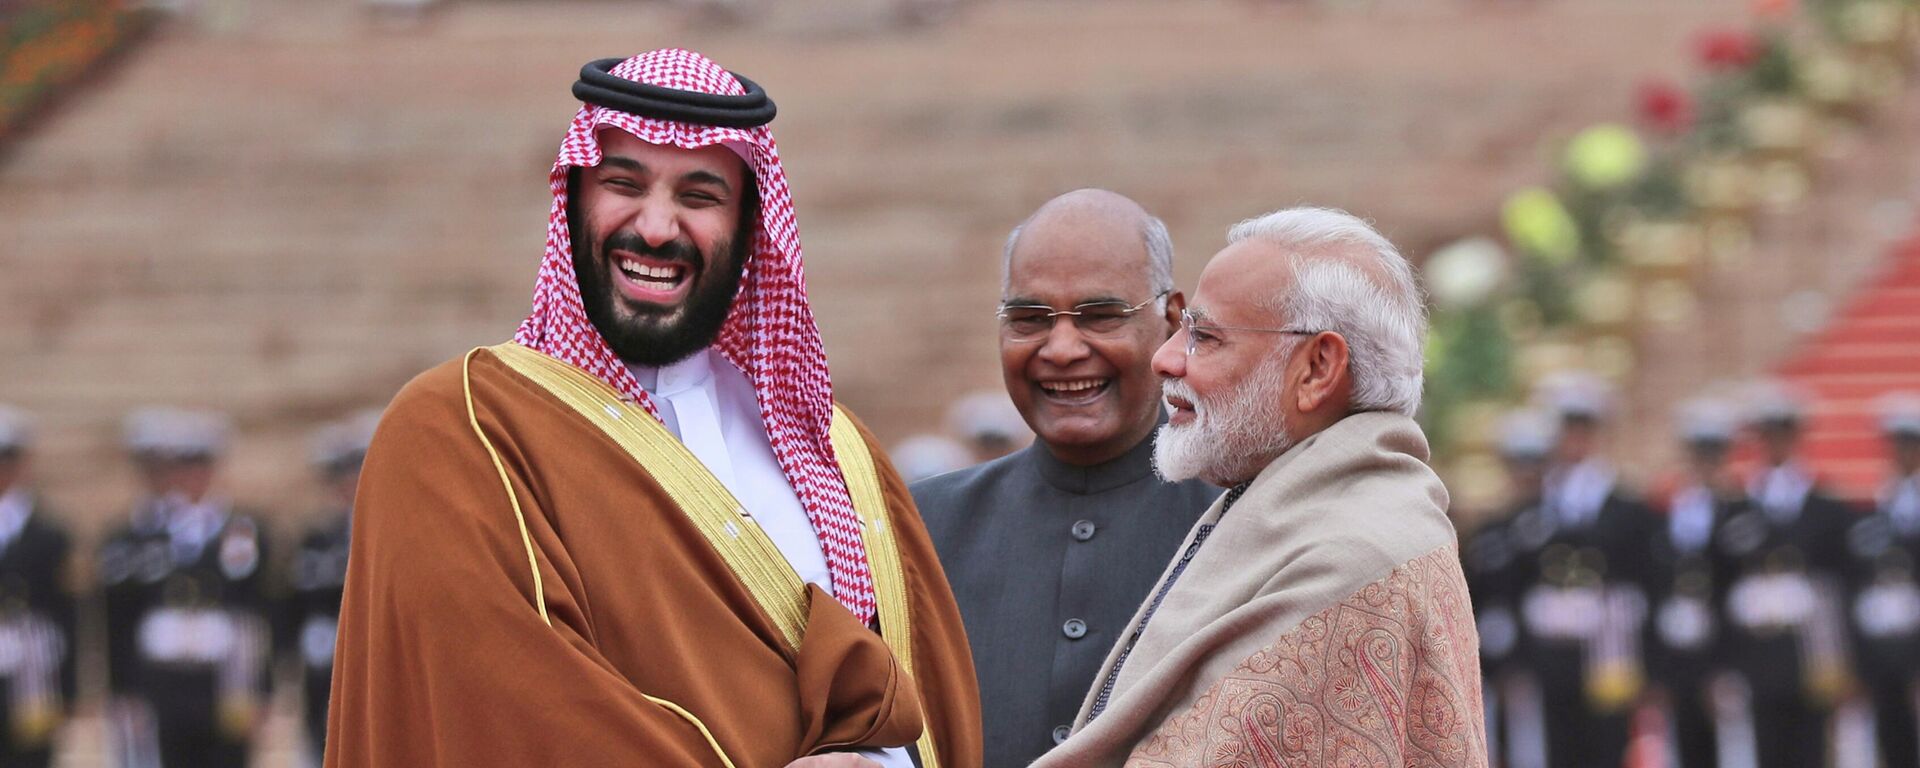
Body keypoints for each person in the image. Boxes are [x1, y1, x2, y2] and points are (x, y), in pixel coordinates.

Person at [324, 49, 980, 768]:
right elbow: (510, 713)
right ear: (574, 196)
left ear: (750, 228)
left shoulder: (839, 454)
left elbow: (928, 711)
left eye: (699, 196)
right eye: (623, 185)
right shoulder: (461, 429)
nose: (658, 228)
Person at [1034, 207, 1485, 766]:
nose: (1165, 358)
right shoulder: (1306, 500)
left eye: (1205, 337)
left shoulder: (1353, 555)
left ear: (1318, 368)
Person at [913, 190, 1220, 767]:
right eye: (1029, 319)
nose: (1061, 349)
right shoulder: (916, 531)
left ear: (1172, 321)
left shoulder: (1243, 521)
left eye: (1101, 316)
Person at [99, 407, 274, 768]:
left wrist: (262, 687)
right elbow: (120, 615)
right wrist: (122, 688)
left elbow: (259, 609)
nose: (193, 477)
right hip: (162, 674)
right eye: (182, 467)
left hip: (224, 674)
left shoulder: (242, 530)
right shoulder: (138, 534)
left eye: (201, 466)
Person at [1503, 371, 1656, 768]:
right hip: (1552, 651)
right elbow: (1517, 580)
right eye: (1567, 429)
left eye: (1583, 429)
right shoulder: (1535, 507)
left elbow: (1645, 576)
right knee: (1558, 749)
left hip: (1609, 647)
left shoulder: (1627, 508)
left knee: (1606, 748)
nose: (1574, 440)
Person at [1717, 381, 1854, 768]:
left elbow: (1843, 582)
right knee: (1764, 750)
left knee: (1811, 749)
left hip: (1812, 649)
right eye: (1768, 434)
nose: (1776, 442)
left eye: (1784, 432)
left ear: (1797, 436)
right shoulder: (1736, 507)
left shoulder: (1826, 506)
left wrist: (1847, 662)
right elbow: (1721, 583)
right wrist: (1725, 663)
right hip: (1756, 650)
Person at [1646, 397, 1745, 768]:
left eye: (1714, 452)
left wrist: (1730, 662)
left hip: (1724, 648)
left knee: (1734, 748)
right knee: (1683, 745)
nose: (1706, 462)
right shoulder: (1666, 512)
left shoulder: (1742, 511)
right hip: (1678, 650)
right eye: (1699, 452)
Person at [1465, 408, 1556, 768]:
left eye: (1533, 462)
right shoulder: (1490, 530)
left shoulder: (1558, 527)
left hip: (1546, 667)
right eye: (1519, 462)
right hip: (1493, 665)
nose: (1526, 472)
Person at [284, 411, 376, 764]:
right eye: (341, 475)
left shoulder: (396, 533)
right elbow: (298, 602)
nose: (348, 484)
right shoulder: (316, 539)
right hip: (327, 666)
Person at [1844, 392, 1920, 768]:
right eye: (1898, 445)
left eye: (1912, 445)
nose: (1904, 453)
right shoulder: (1876, 509)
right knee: (1892, 740)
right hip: (1884, 649)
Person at [0, 407, 76, 768]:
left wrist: (70, 687)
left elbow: (65, 609)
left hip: (31, 665)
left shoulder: (49, 534)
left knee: (29, 757)